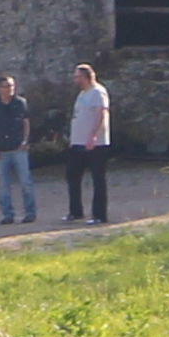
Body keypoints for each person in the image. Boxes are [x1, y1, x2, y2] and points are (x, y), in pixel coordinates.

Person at [0, 73, 35, 224]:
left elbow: (26, 122)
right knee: (4, 186)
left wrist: (25, 140)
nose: (10, 89)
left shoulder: (20, 103)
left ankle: (30, 213)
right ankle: (8, 215)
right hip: (1, 150)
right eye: (6, 86)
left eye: (11, 86)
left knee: (26, 182)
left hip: (18, 148)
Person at [62, 62, 112, 221]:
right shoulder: (82, 94)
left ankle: (99, 215)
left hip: (95, 144)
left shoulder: (98, 92)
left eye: (77, 76)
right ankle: (76, 211)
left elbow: (101, 114)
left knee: (98, 179)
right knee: (72, 176)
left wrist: (93, 135)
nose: (74, 79)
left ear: (85, 77)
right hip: (78, 143)